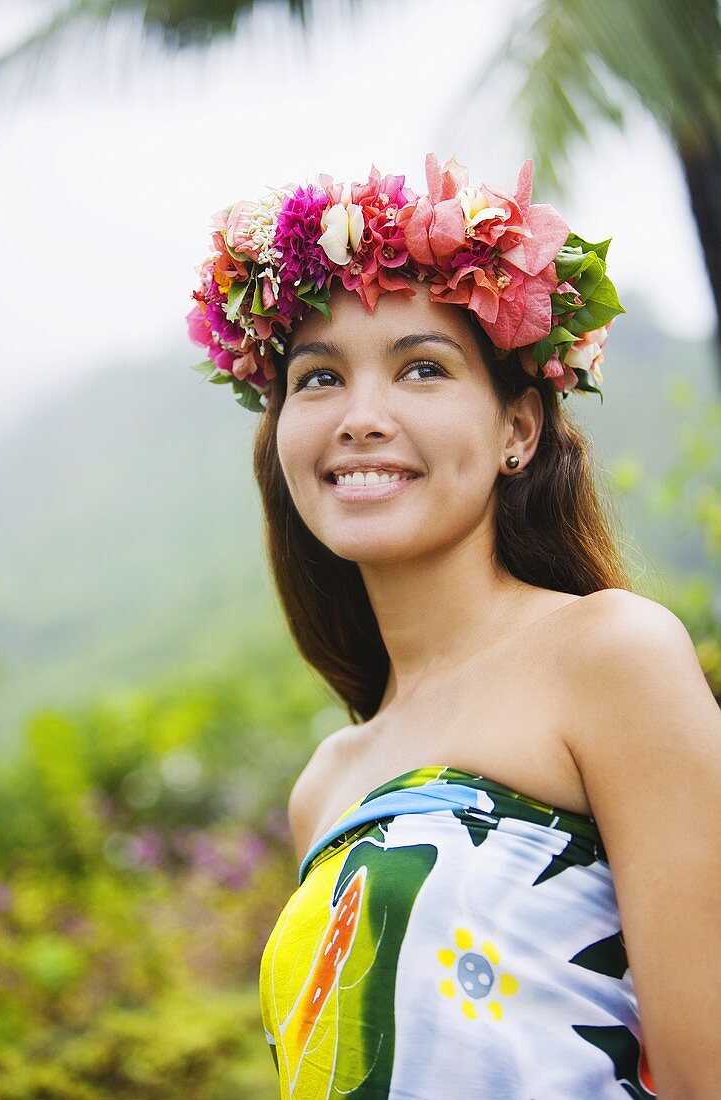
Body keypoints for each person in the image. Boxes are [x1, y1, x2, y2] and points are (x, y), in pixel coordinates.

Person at [187, 154, 721, 1098]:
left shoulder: (608, 656)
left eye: (421, 369)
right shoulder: (328, 783)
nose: (360, 418)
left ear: (519, 428)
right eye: (317, 379)